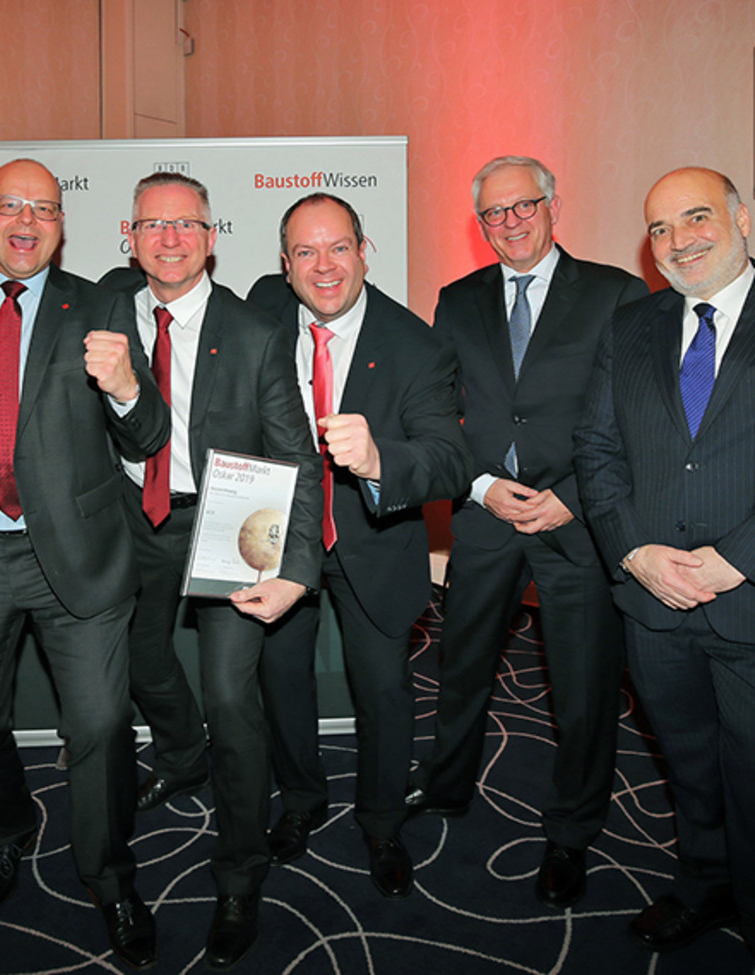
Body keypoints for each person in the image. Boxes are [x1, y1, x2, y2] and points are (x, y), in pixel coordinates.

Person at [0, 158, 169, 969]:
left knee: (97, 724)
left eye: (44, 208)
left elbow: (149, 433)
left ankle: (109, 873)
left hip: (78, 553)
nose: (27, 221)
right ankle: (11, 830)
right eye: (10, 205)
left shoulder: (101, 303)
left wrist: (126, 387)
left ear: (63, 222)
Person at [406, 156, 648, 907]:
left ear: (553, 206)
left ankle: (571, 833)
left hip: (579, 518)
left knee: (582, 686)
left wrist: (572, 497)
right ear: (479, 224)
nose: (509, 222)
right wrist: (479, 485)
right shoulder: (458, 299)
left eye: (523, 206)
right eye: (493, 213)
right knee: (462, 661)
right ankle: (447, 786)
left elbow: (636, 415)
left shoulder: (617, 293)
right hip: (487, 513)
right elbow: (442, 411)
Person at [99, 172, 323, 969]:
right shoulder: (103, 306)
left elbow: (296, 456)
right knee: (142, 662)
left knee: (231, 696)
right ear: (129, 236)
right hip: (133, 520)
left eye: (186, 224)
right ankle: (180, 754)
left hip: (228, 518)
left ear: (211, 235)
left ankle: (239, 870)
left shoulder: (257, 332)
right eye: (153, 225)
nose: (169, 239)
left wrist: (295, 566)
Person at [247, 193, 471, 899]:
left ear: (365, 250)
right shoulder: (261, 308)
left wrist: (379, 461)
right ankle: (302, 800)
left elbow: (450, 459)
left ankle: (380, 823)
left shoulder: (417, 345)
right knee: (282, 680)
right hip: (283, 539)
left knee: (382, 690)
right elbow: (167, 291)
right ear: (284, 266)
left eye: (339, 247)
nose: (324, 266)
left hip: (373, 544)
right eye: (306, 253)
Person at [575, 166, 755, 958]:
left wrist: (739, 561)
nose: (679, 241)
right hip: (653, 601)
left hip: (748, 600)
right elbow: (597, 450)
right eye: (659, 229)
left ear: (742, 217)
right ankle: (705, 881)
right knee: (686, 757)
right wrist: (636, 551)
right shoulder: (631, 327)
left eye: (696, 217)